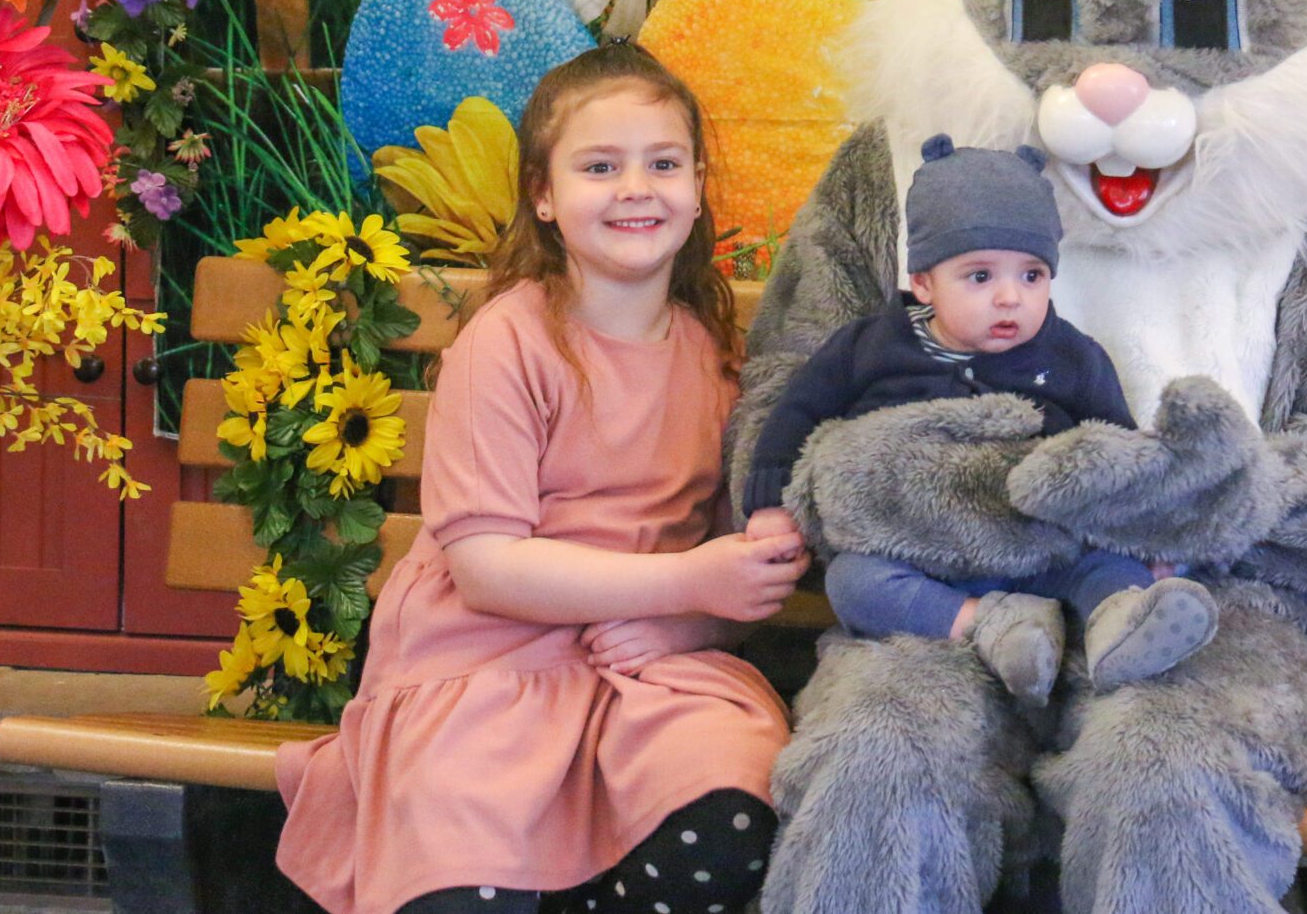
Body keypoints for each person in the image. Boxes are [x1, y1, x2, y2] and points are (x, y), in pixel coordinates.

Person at [276, 44, 805, 914]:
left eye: (663, 163)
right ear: (545, 195)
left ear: (698, 185)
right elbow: (486, 564)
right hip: (488, 659)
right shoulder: (510, 341)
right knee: (462, 859)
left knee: (733, 806)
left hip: (645, 666)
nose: (636, 187)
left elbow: (739, 571)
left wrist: (688, 616)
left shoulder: (715, 356)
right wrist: (682, 578)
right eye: (601, 166)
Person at [739, 135, 1218, 706]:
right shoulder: (867, 347)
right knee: (854, 585)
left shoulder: (1073, 356)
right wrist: (769, 504)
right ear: (923, 282)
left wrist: (1147, 534)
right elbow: (797, 413)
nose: (1011, 298)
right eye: (981, 277)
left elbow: (1112, 448)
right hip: (918, 552)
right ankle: (982, 624)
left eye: (1032, 275)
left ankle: (1118, 625)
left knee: (1106, 566)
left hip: (1038, 548)